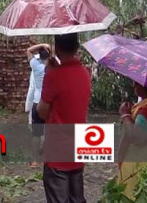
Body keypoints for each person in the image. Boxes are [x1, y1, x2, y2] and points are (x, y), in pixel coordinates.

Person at [37, 33, 91, 203]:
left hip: (57, 151)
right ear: (76, 47)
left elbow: (42, 112)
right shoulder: (85, 74)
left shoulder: (53, 76)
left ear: (56, 47)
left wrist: (50, 73)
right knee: (77, 198)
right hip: (78, 148)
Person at [25, 43, 50, 169]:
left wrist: (42, 45)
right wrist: (49, 47)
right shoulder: (52, 68)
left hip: (37, 102)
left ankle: (34, 161)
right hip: (49, 103)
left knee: (36, 134)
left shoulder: (36, 67)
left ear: (39, 56)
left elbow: (28, 50)